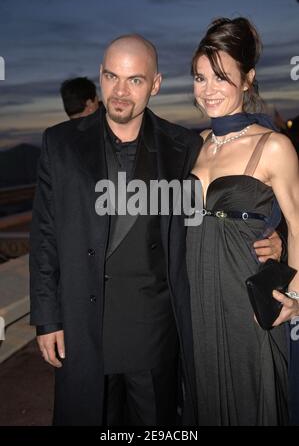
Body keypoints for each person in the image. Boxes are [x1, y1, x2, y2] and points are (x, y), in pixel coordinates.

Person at [30, 34, 282, 426]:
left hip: (155, 333)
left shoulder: (183, 146)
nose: (120, 91)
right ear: (100, 76)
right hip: (83, 327)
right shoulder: (60, 143)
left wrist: (269, 233)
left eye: (135, 80)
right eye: (112, 77)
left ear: (156, 84)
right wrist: (48, 319)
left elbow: (222, 206)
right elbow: (45, 236)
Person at [186, 17, 299, 425]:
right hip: (195, 294)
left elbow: (298, 222)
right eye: (200, 78)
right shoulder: (192, 146)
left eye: (221, 77)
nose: (208, 90)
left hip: (245, 296)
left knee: (252, 399)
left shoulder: (273, 146)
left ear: (247, 79)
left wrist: (296, 297)